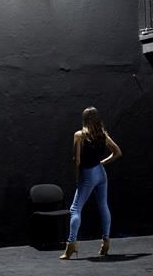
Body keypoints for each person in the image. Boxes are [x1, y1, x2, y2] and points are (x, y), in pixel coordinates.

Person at [59, 106, 122, 259]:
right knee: (103, 205)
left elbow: (77, 160)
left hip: (87, 174)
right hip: (101, 173)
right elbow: (117, 153)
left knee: (75, 209)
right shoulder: (103, 134)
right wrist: (102, 163)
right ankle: (106, 242)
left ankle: (71, 245)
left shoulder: (79, 135)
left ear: (84, 119)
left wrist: (77, 178)